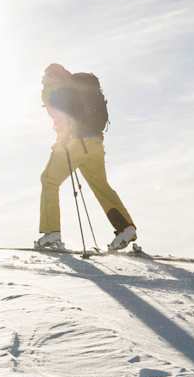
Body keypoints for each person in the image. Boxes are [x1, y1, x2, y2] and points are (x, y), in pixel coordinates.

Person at [36, 63, 138, 252]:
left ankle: (52, 233)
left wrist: (63, 141)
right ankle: (126, 228)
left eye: (45, 75)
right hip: (96, 143)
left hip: (74, 143)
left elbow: (63, 116)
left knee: (49, 180)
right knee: (101, 185)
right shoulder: (80, 85)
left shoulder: (55, 89)